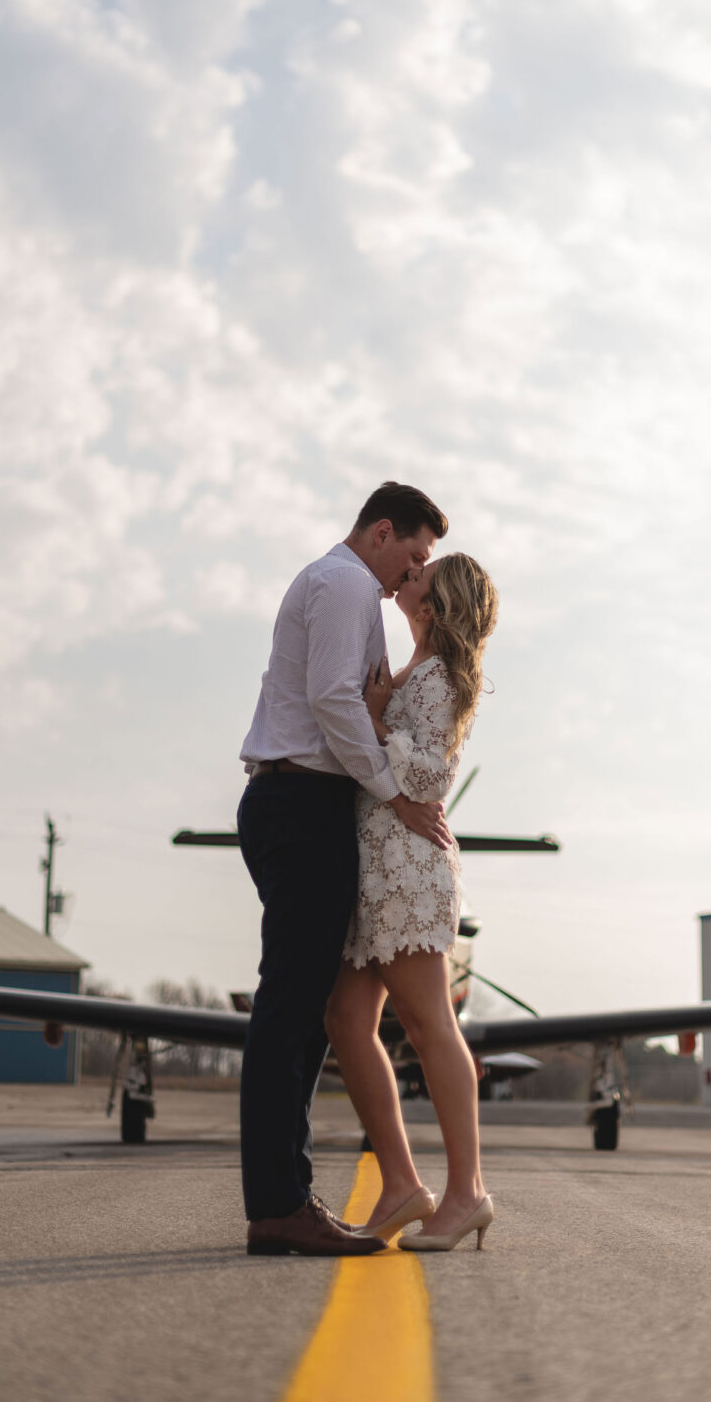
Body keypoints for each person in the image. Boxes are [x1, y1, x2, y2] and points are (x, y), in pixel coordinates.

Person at [237, 481, 453, 1257]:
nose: (414, 572)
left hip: (312, 807)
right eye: (415, 555)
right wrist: (396, 794)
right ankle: (277, 1204)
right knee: (290, 1011)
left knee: (304, 1015)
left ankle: (283, 1198)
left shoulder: (354, 589)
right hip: (300, 804)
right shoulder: (342, 584)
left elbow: (361, 704)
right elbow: (334, 699)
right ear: (382, 532)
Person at [324, 551, 499, 1252]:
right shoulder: (413, 668)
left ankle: (467, 1193)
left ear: (433, 605)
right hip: (378, 868)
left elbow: (432, 774)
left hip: (409, 869)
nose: (408, 575)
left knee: (429, 1027)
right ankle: (401, 1184)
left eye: (421, 575)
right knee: (344, 1020)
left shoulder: (441, 678)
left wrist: (376, 722)